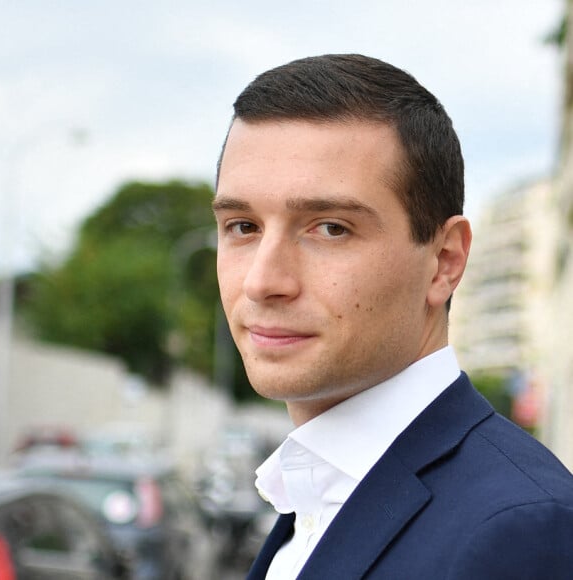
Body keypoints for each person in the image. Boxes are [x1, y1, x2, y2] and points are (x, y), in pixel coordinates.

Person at [212, 54, 573, 579]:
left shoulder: (519, 531)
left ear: (445, 261)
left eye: (331, 228)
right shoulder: (318, 494)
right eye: (243, 226)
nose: (263, 281)